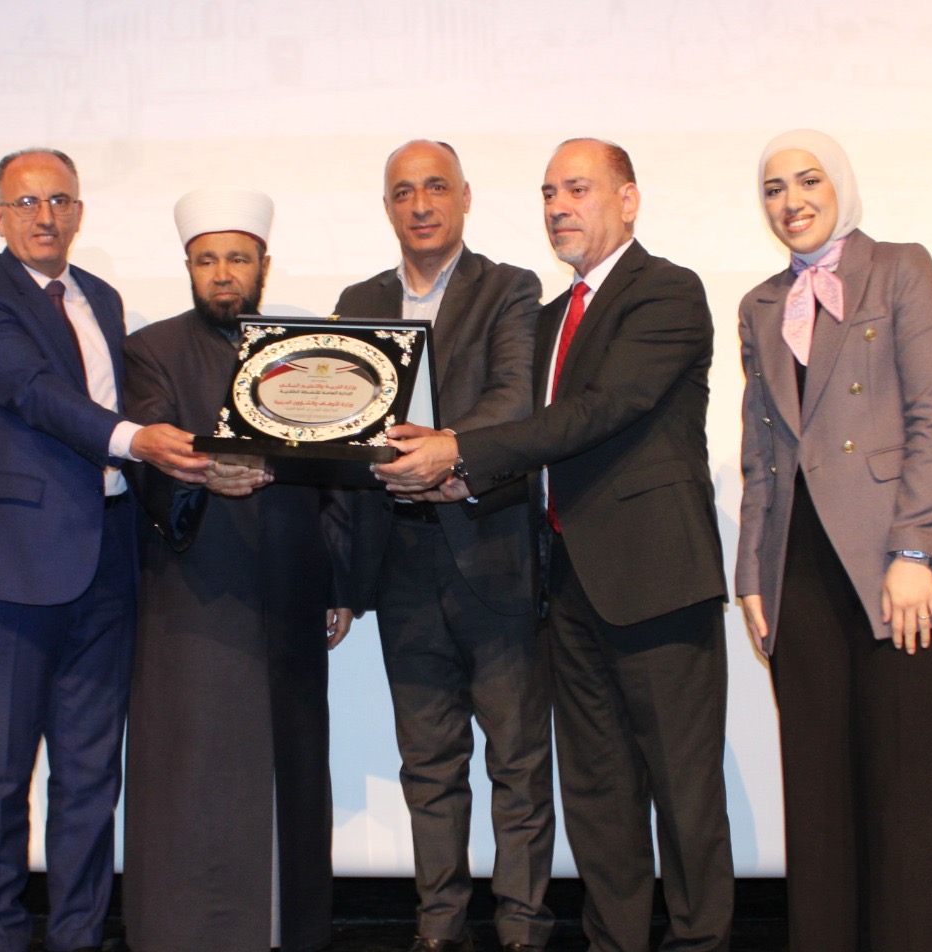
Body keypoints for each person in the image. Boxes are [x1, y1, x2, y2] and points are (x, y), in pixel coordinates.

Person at [378, 138, 734, 952]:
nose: (558, 207)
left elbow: (598, 412)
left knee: (684, 796)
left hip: (657, 581)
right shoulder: (545, 321)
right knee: (598, 797)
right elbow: (530, 447)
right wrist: (456, 480)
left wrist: (458, 451)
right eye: (548, 194)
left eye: (577, 189)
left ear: (628, 200)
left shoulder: (667, 291)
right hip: (564, 587)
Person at [0, 148, 209, 952]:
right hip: (6, 570)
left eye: (59, 200)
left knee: (90, 776)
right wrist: (135, 439)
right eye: (26, 203)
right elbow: (31, 391)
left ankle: (78, 935)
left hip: (106, 563)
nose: (44, 216)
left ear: (80, 212)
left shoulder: (102, 298)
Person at [735, 129, 932, 952]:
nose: (792, 201)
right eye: (774, 187)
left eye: (808, 181)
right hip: (800, 575)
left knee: (907, 817)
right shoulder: (760, 306)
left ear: (840, 184)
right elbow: (761, 454)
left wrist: (914, 551)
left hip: (902, 573)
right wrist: (752, 574)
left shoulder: (900, 269)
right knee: (818, 813)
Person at [120, 186, 355, 952]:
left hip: (291, 586)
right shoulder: (151, 349)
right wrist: (200, 475)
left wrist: (338, 580)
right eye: (207, 260)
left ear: (264, 266)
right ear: (189, 267)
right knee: (194, 773)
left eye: (238, 259)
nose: (223, 274)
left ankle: (287, 932)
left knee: (291, 770)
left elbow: (340, 472)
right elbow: (149, 447)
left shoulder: (307, 350)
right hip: (193, 594)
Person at [336, 140, 553, 952]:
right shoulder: (358, 301)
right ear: (387, 208)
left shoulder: (509, 288)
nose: (420, 205)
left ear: (464, 197)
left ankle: (523, 927)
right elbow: (339, 422)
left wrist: (442, 450)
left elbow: (513, 400)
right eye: (403, 192)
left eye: (436, 188)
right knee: (427, 760)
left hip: (492, 551)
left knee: (517, 761)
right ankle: (439, 927)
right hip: (399, 559)